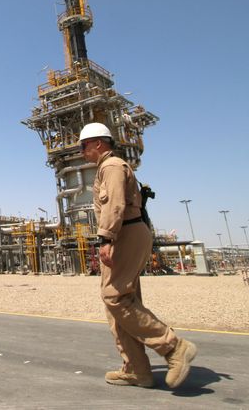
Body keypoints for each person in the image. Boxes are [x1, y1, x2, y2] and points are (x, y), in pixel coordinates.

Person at [79, 123, 197, 389]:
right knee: (120, 303)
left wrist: (106, 237)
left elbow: (115, 204)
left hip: (125, 233)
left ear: (98, 143)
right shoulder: (106, 168)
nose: (81, 151)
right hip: (127, 232)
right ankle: (136, 369)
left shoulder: (111, 167)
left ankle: (173, 347)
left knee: (115, 297)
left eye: (83, 145)